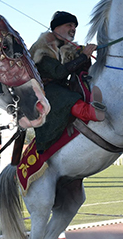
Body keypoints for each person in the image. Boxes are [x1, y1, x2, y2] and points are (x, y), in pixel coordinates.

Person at [28, 11, 104, 151]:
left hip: (62, 88)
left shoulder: (69, 49)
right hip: (44, 93)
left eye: (75, 27)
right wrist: (83, 56)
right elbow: (58, 72)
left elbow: (80, 71)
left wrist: (84, 57)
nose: (73, 29)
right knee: (63, 96)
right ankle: (90, 112)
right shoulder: (42, 47)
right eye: (69, 25)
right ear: (57, 28)